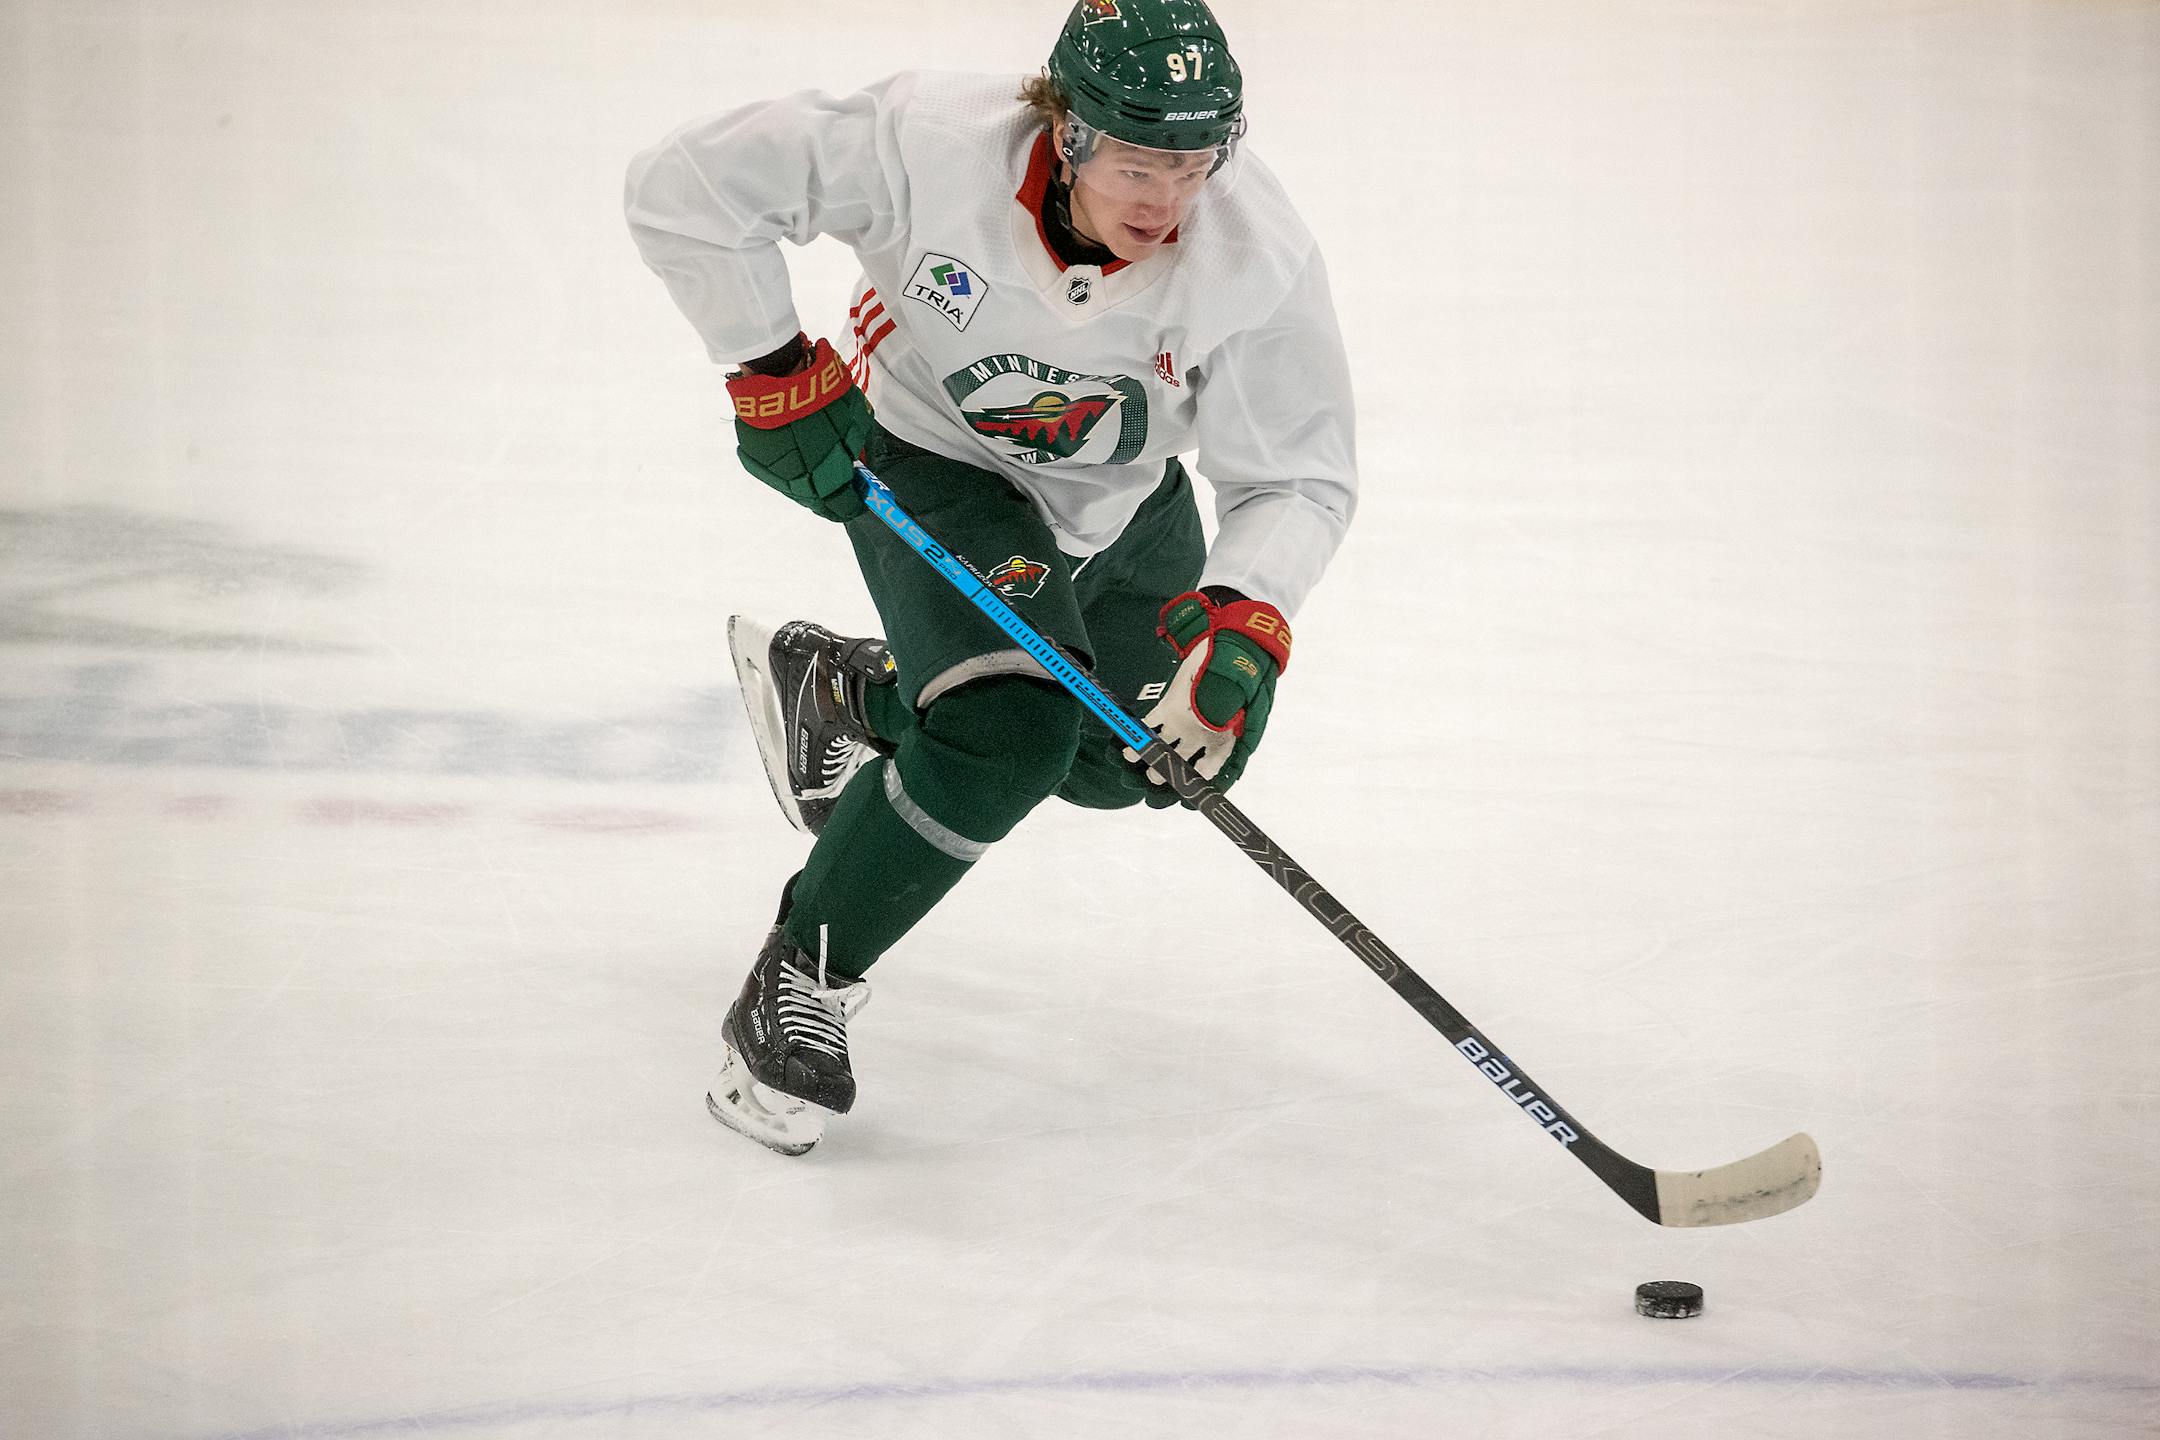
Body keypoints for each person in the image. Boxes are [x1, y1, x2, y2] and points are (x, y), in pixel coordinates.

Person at [626, 0, 1357, 1154]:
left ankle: (852, 695)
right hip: (932, 460)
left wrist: (1245, 616)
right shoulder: (926, 143)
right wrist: (769, 367)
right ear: (1064, 131)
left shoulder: (1252, 253)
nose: (1167, 205)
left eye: (1193, 166)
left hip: (1123, 504)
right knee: (1009, 733)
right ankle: (802, 973)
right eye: (1138, 164)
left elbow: (1298, 478)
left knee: (1134, 764)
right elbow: (685, 185)